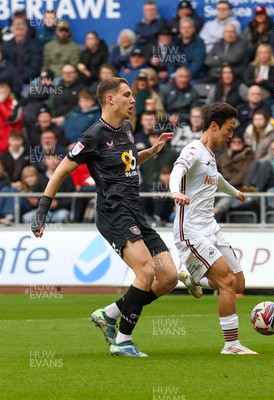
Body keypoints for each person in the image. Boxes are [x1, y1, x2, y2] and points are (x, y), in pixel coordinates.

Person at [30, 77, 178, 357]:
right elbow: (60, 172)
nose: (132, 100)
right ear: (110, 99)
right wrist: (42, 213)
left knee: (168, 276)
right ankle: (122, 342)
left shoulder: (126, 128)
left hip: (135, 211)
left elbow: (127, 161)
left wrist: (150, 151)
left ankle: (109, 314)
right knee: (146, 272)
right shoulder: (92, 136)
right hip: (114, 212)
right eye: (127, 95)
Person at [169, 102, 257, 355]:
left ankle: (193, 277)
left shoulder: (209, 154)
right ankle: (232, 345)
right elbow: (178, 169)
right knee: (227, 281)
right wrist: (175, 191)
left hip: (211, 227)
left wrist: (235, 191)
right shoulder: (194, 149)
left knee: (238, 284)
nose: (231, 135)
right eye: (229, 130)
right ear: (214, 126)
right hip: (191, 231)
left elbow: (215, 179)